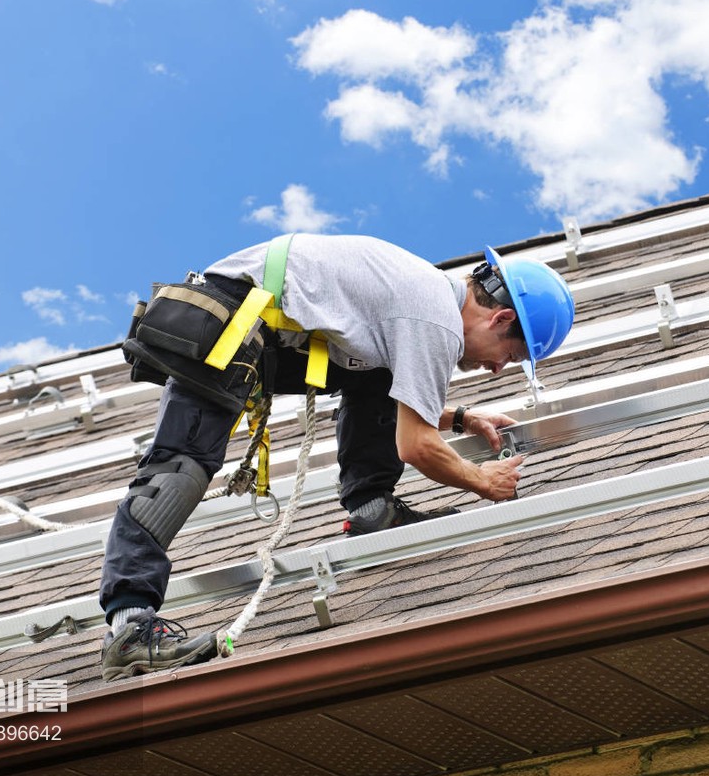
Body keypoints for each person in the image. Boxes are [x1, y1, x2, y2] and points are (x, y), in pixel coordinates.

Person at [98, 234, 575, 681]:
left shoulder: (426, 297)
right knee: (179, 471)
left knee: (377, 376)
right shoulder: (436, 320)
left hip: (260, 326)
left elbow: (399, 394)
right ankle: (128, 626)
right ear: (501, 320)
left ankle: (373, 509)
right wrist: (482, 481)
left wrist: (459, 418)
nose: (494, 369)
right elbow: (416, 446)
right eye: (508, 358)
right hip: (230, 321)